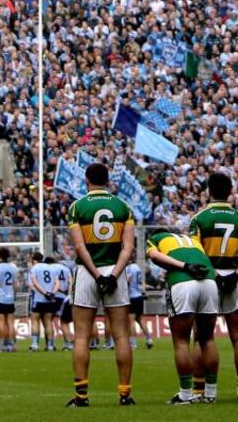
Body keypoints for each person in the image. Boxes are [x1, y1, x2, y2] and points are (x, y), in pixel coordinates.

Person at [66, 163, 137, 407]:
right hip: (115, 271)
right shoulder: (123, 207)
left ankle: (81, 396)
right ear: (108, 181)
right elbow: (128, 248)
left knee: (82, 337)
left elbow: (79, 247)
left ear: (87, 180)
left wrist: (96, 275)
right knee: (121, 336)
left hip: (88, 273)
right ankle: (125, 393)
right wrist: (113, 275)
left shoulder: (77, 207)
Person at [191, 171, 238, 401]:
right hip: (233, 277)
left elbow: (196, 252)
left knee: (203, 337)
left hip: (209, 279)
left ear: (208, 191)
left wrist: (215, 275)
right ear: (230, 192)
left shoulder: (199, 218)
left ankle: (203, 391)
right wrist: (236, 275)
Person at [146, 227, 219, 405]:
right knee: (207, 339)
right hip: (209, 281)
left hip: (183, 281)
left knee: (181, 341)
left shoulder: (156, 238)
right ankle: (210, 393)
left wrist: (184, 266)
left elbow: (155, 256)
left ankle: (185, 394)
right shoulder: (193, 241)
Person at [0, 248, 19, 353]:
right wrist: (14, 296)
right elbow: (15, 285)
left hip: (0, 298)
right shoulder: (12, 268)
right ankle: (11, 345)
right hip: (10, 298)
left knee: (0, 323)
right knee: (10, 323)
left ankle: (1, 345)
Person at [28, 252, 57, 352]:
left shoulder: (34, 268)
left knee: (35, 321)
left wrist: (44, 293)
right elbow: (56, 283)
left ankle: (35, 344)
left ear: (33, 260)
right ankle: (50, 346)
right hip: (50, 300)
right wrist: (52, 293)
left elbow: (34, 283)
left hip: (39, 299)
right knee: (48, 322)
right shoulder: (51, 268)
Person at [124, 258, 154, 350]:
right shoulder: (137, 267)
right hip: (139, 296)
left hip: (132, 297)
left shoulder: (128, 268)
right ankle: (149, 339)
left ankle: (133, 344)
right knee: (140, 318)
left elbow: (127, 280)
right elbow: (141, 282)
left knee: (131, 320)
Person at [50, 258, 75, 351]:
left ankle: (50, 344)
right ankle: (68, 344)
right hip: (64, 298)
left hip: (53, 297)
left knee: (48, 321)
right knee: (64, 321)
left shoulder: (50, 267)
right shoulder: (66, 269)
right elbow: (71, 282)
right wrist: (69, 294)